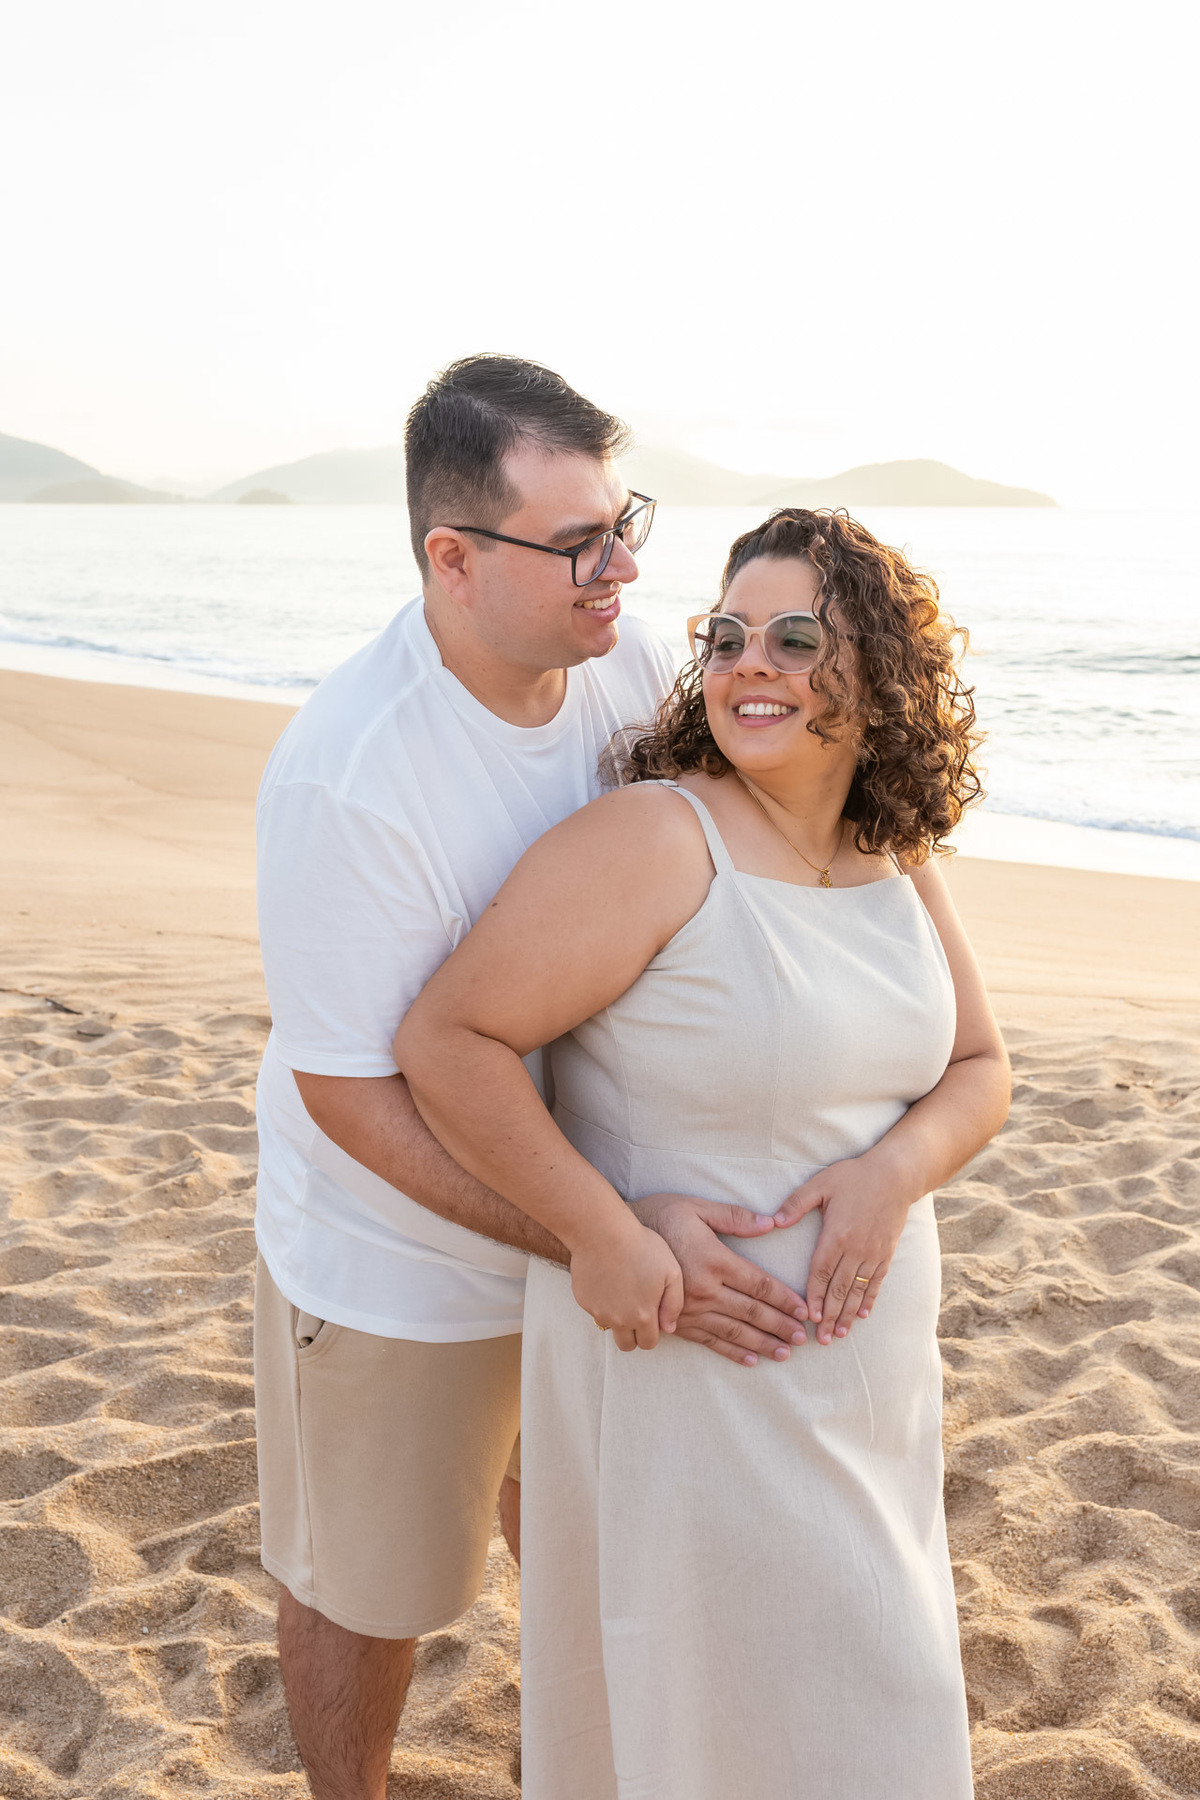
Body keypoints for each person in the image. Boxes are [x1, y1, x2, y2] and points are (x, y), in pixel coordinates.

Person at [252, 355, 816, 1800]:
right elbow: (351, 1095)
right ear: (452, 558)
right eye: (578, 541)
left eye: (622, 518)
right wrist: (593, 1233)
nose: (623, 566)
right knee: (366, 1588)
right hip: (401, 1259)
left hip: (589, 1217)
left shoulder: (620, 652)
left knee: (580, 1537)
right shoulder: (351, 777)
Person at [396, 507, 1012, 1799]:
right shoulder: (657, 841)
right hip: (691, 1379)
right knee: (710, 1724)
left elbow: (978, 1070)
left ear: (878, 672)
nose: (750, 665)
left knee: (876, 1706)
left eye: (797, 637)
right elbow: (448, 1040)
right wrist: (601, 1230)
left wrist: (893, 1175)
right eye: (726, 637)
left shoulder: (894, 854)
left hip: (868, 1397)